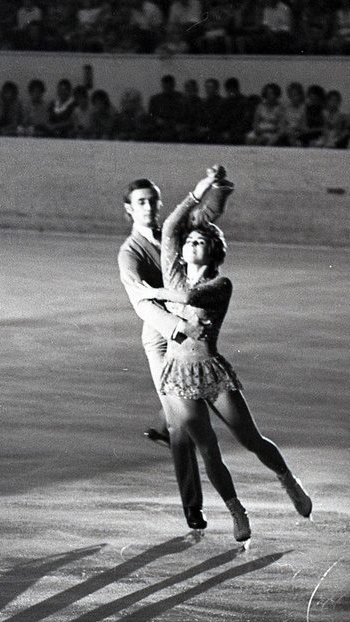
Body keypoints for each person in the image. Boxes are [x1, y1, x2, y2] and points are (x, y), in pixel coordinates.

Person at [132, 166, 313, 543]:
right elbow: (170, 230)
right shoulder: (175, 271)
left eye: (200, 242)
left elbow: (188, 299)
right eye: (189, 242)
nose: (190, 244)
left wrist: (151, 293)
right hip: (178, 374)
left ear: (213, 250)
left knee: (250, 439)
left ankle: (287, 480)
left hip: (210, 372)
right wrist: (196, 192)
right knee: (208, 449)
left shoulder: (220, 284)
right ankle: (236, 510)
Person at [117, 179, 212, 531]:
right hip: (161, 337)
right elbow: (141, 301)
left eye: (153, 201)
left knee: (188, 400)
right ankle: (193, 508)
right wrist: (176, 326)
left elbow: (204, 222)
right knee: (183, 422)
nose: (149, 207)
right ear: (128, 208)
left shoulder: (173, 234)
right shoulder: (131, 252)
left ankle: (161, 424)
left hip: (187, 334)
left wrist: (216, 192)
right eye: (141, 202)